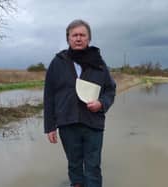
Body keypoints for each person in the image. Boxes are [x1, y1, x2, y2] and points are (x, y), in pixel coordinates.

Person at [44, 19, 116, 187]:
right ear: (68, 38)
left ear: (88, 39)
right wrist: (50, 126)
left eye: (82, 35)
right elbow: (49, 96)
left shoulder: (99, 64)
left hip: (93, 123)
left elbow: (110, 90)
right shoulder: (58, 62)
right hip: (67, 123)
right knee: (74, 165)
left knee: (93, 167)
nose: (78, 38)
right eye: (74, 35)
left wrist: (101, 103)